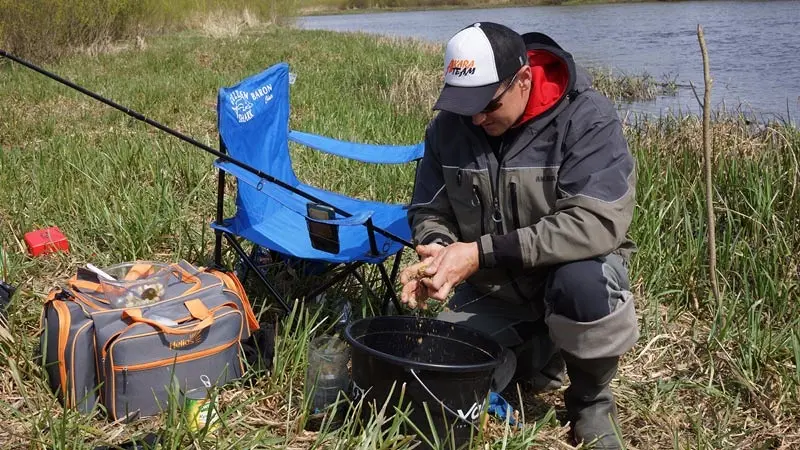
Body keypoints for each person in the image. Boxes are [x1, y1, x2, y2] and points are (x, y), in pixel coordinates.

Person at [400, 22, 638, 449]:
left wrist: (478, 253)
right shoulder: (448, 129)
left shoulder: (588, 118)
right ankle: (534, 355)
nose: (476, 118)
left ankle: (590, 402)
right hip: (492, 294)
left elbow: (594, 223)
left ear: (523, 80)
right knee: (430, 378)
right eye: (463, 105)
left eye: (488, 105)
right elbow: (429, 208)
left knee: (583, 285)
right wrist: (436, 251)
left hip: (567, 279)